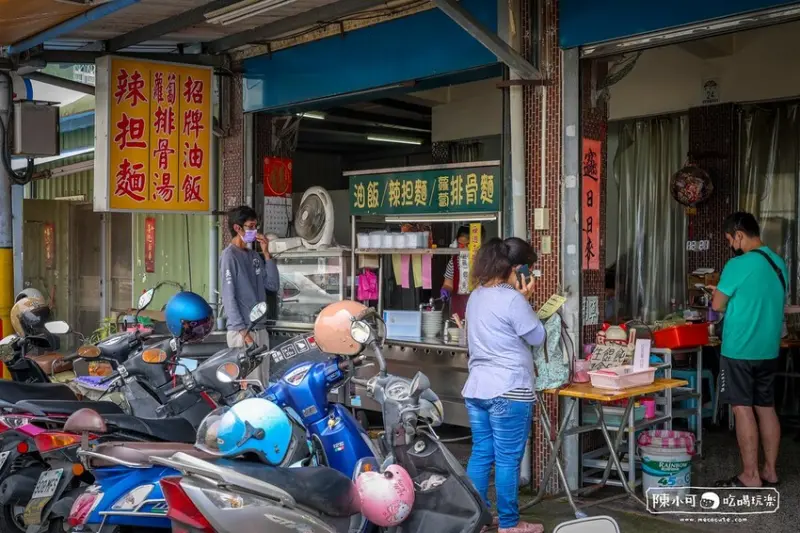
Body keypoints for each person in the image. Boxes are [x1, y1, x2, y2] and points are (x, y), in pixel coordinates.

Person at [462, 237, 545, 533]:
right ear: (516, 268)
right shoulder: (512, 300)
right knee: (508, 459)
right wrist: (526, 299)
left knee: (482, 453)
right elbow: (537, 336)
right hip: (509, 389)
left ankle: (479, 519)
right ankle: (510, 523)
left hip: (476, 388)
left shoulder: (476, 296)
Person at [709, 212, 786, 488]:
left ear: (739, 235)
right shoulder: (778, 263)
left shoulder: (737, 264)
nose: (732, 244)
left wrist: (717, 292)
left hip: (739, 349)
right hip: (769, 349)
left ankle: (751, 476)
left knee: (742, 409)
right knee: (766, 408)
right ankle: (770, 471)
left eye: (731, 239)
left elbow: (717, 305)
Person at [220, 206, 280, 360]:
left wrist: (266, 253)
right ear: (237, 228)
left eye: (255, 226)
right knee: (248, 375)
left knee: (262, 375)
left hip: (260, 328)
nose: (254, 231)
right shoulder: (229, 256)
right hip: (243, 332)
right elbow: (228, 297)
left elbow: (272, 285)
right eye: (251, 226)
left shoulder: (254, 256)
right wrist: (244, 334)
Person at [440, 225, 472, 319]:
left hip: (477, 304)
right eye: (460, 244)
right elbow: (448, 284)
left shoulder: (482, 261)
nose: (463, 248)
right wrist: (445, 290)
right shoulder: (454, 261)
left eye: (467, 244)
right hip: (458, 304)